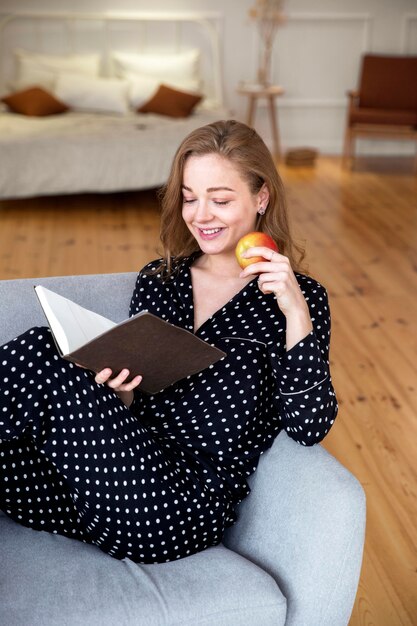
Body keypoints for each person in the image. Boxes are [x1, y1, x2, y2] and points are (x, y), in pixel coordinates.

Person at [0, 119, 338, 564]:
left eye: (219, 200)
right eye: (189, 198)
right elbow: (135, 404)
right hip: (110, 481)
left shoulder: (298, 300)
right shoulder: (160, 280)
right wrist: (119, 395)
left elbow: (309, 426)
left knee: (43, 349)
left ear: (261, 197)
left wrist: (295, 312)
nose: (200, 215)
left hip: (178, 508)